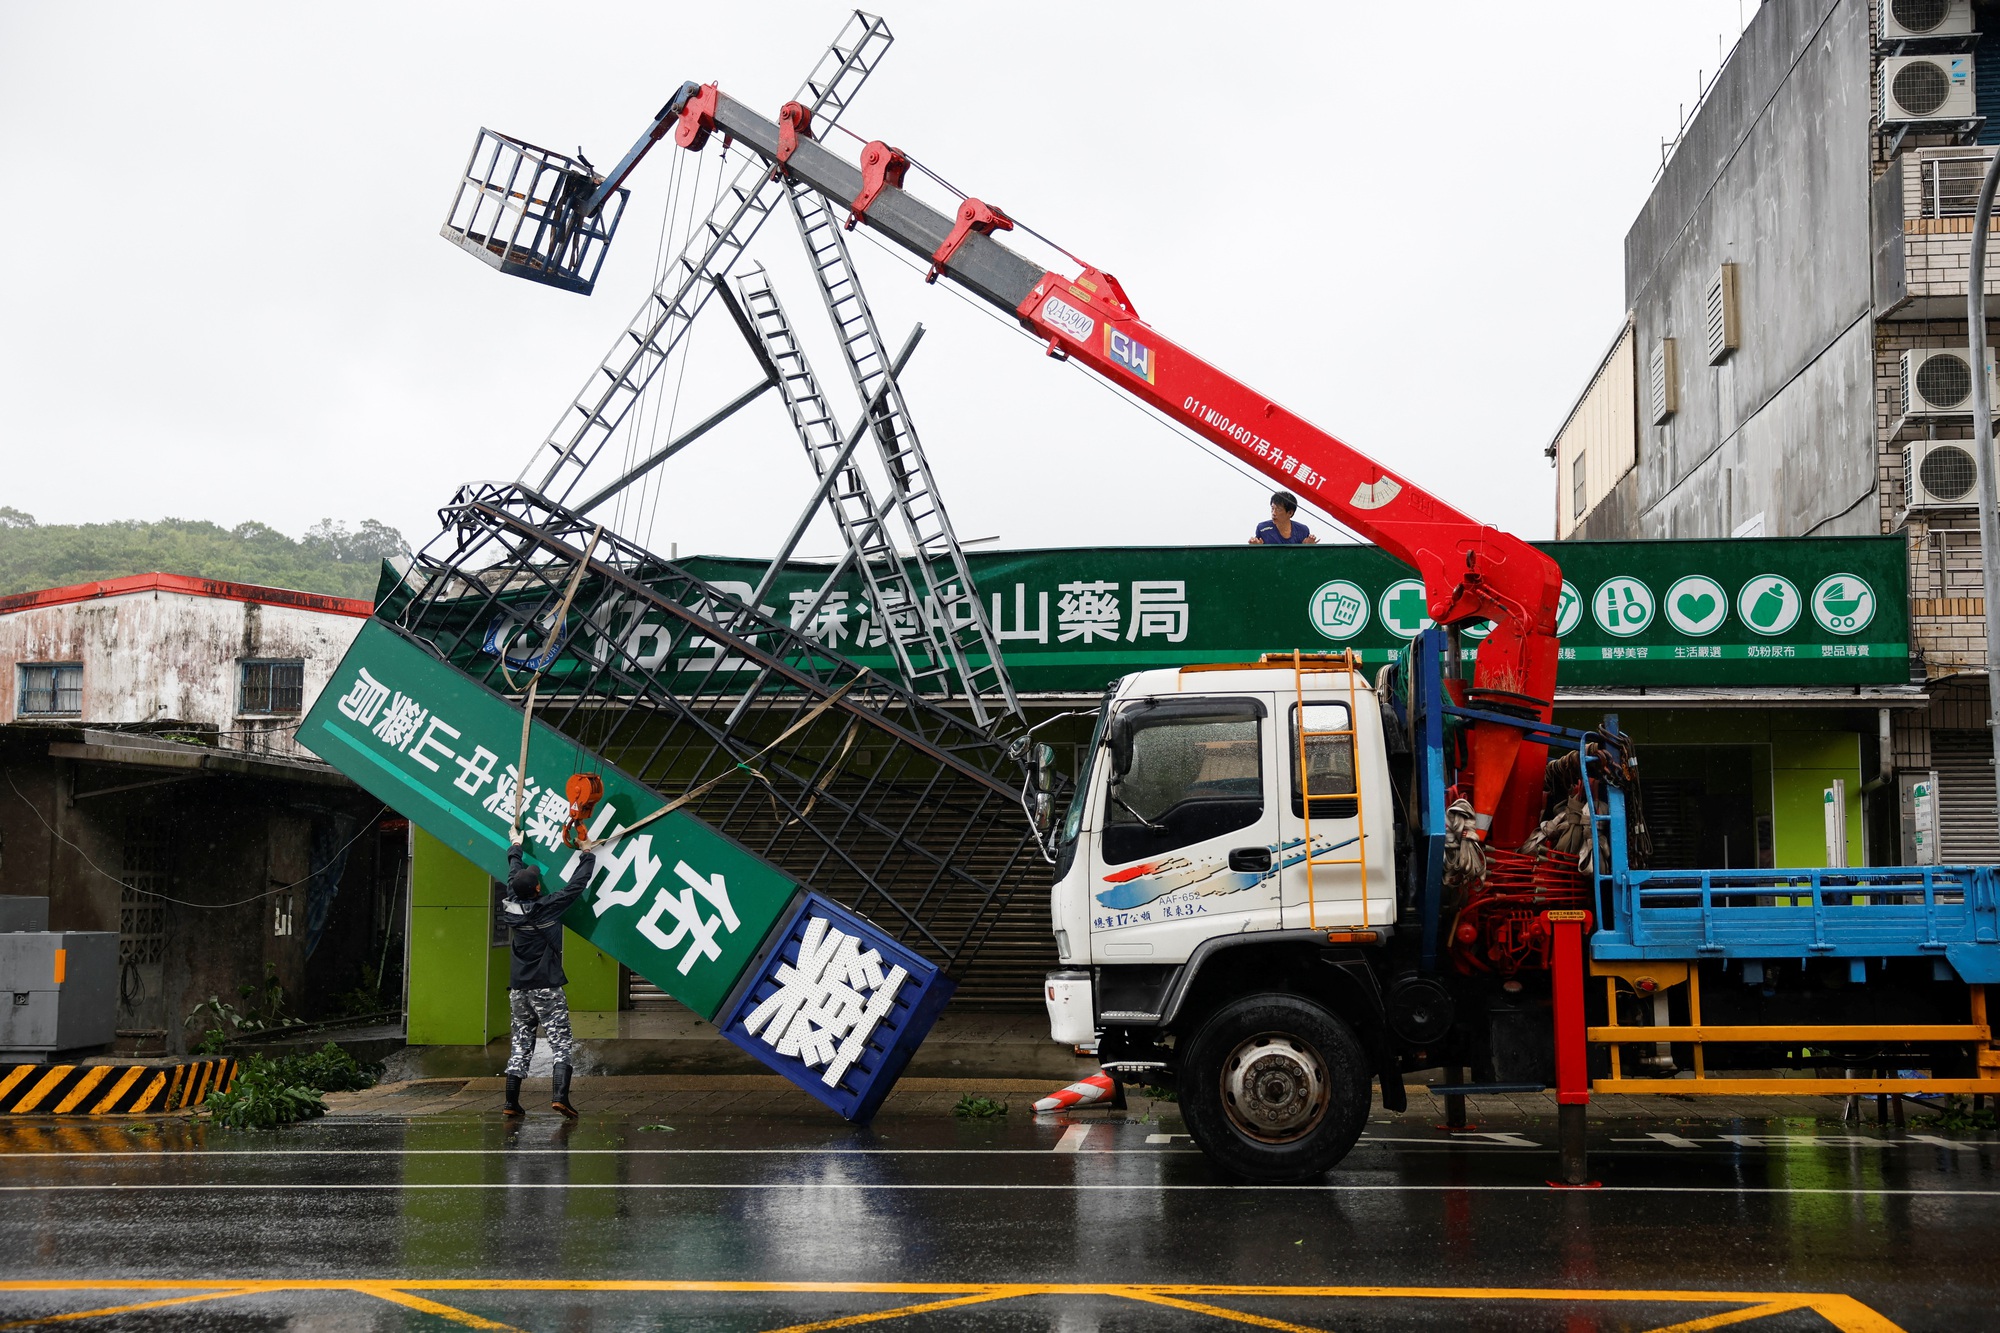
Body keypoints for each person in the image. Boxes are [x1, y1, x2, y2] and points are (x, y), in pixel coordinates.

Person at [499, 832, 597, 1119]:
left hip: (518, 989)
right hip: (546, 986)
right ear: (538, 887)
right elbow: (576, 886)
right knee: (560, 1041)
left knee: (521, 1042)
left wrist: (515, 846)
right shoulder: (548, 906)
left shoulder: (510, 905)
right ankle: (559, 1097)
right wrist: (587, 854)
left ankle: (510, 1103)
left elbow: (513, 875)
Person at [1249, 490, 1318, 545]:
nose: (1274, 513)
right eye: (1272, 508)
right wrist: (1255, 548)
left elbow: (1306, 559)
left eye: (1278, 509)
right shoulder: (1262, 529)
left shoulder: (1302, 530)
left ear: (1290, 513)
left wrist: (1309, 548)